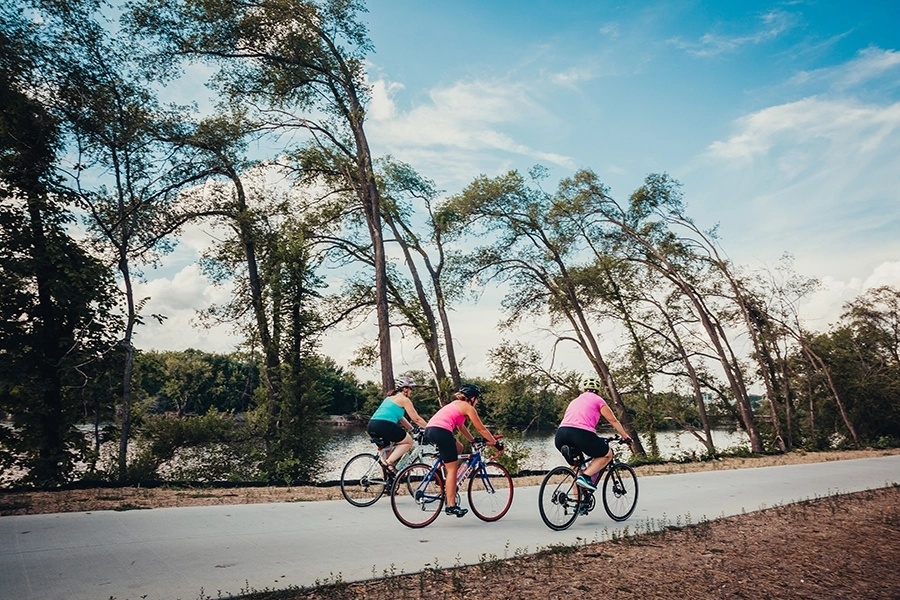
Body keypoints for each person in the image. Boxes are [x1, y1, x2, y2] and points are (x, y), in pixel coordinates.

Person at [424, 383, 500, 518]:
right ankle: (451, 506)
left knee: (458, 447)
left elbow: (461, 427)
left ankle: (439, 471)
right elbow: (481, 429)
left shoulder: (456, 404)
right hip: (442, 432)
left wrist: (472, 441)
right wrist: (496, 444)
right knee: (452, 469)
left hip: (430, 430)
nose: (477, 402)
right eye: (477, 399)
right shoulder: (468, 407)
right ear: (473, 398)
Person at [555, 376, 633, 491]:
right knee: (608, 454)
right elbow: (613, 420)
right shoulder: (598, 400)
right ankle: (586, 477)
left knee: (576, 469)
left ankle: (579, 506)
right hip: (581, 434)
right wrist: (625, 437)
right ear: (598, 391)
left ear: (584, 390)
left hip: (560, 435)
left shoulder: (575, 401)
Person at [367, 376, 429, 474]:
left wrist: (412, 429)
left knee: (388, 452)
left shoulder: (390, 398)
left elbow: (401, 418)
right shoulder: (404, 399)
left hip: (372, 425)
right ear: (405, 389)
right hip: (384, 424)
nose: (411, 391)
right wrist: (430, 428)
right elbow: (416, 419)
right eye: (410, 389)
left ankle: (388, 485)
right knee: (408, 441)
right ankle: (388, 463)